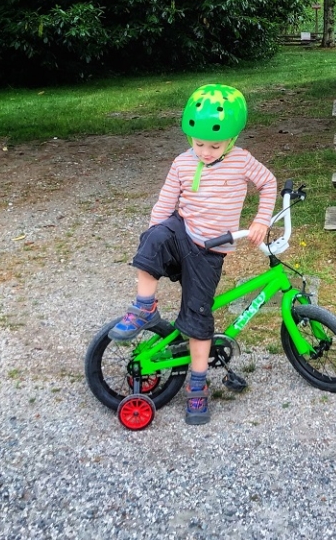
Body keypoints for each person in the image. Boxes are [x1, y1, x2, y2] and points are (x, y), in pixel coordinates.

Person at [109, 83, 277, 425]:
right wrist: (152, 236)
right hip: (181, 232)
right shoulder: (183, 163)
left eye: (214, 145)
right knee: (155, 236)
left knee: (198, 319)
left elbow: (268, 183)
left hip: (210, 253)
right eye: (199, 143)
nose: (205, 151)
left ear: (230, 139)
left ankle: (197, 387)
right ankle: (144, 307)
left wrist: (261, 220)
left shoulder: (242, 161)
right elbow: (164, 204)